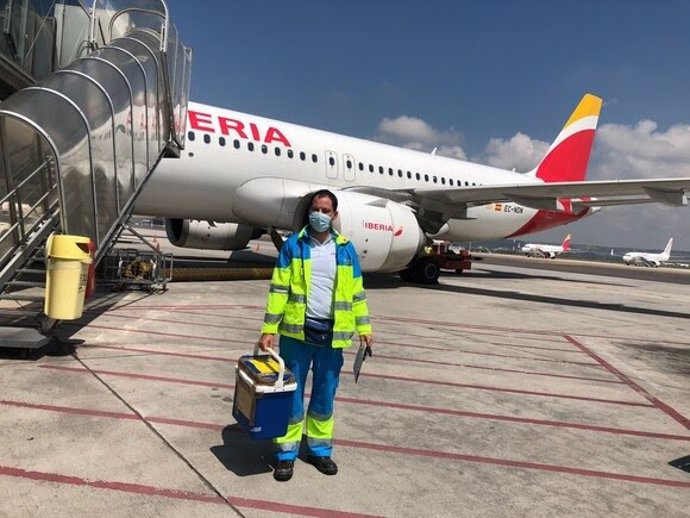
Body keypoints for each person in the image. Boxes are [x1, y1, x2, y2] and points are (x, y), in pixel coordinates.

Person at [258, 189, 373, 482]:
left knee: (325, 394)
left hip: (332, 336)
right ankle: (286, 453)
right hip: (297, 333)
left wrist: (365, 328)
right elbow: (278, 290)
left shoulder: (345, 249)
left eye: (325, 210)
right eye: (315, 209)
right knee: (291, 394)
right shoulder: (293, 246)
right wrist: (269, 329)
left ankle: (319, 449)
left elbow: (357, 294)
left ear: (334, 215)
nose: (319, 215)